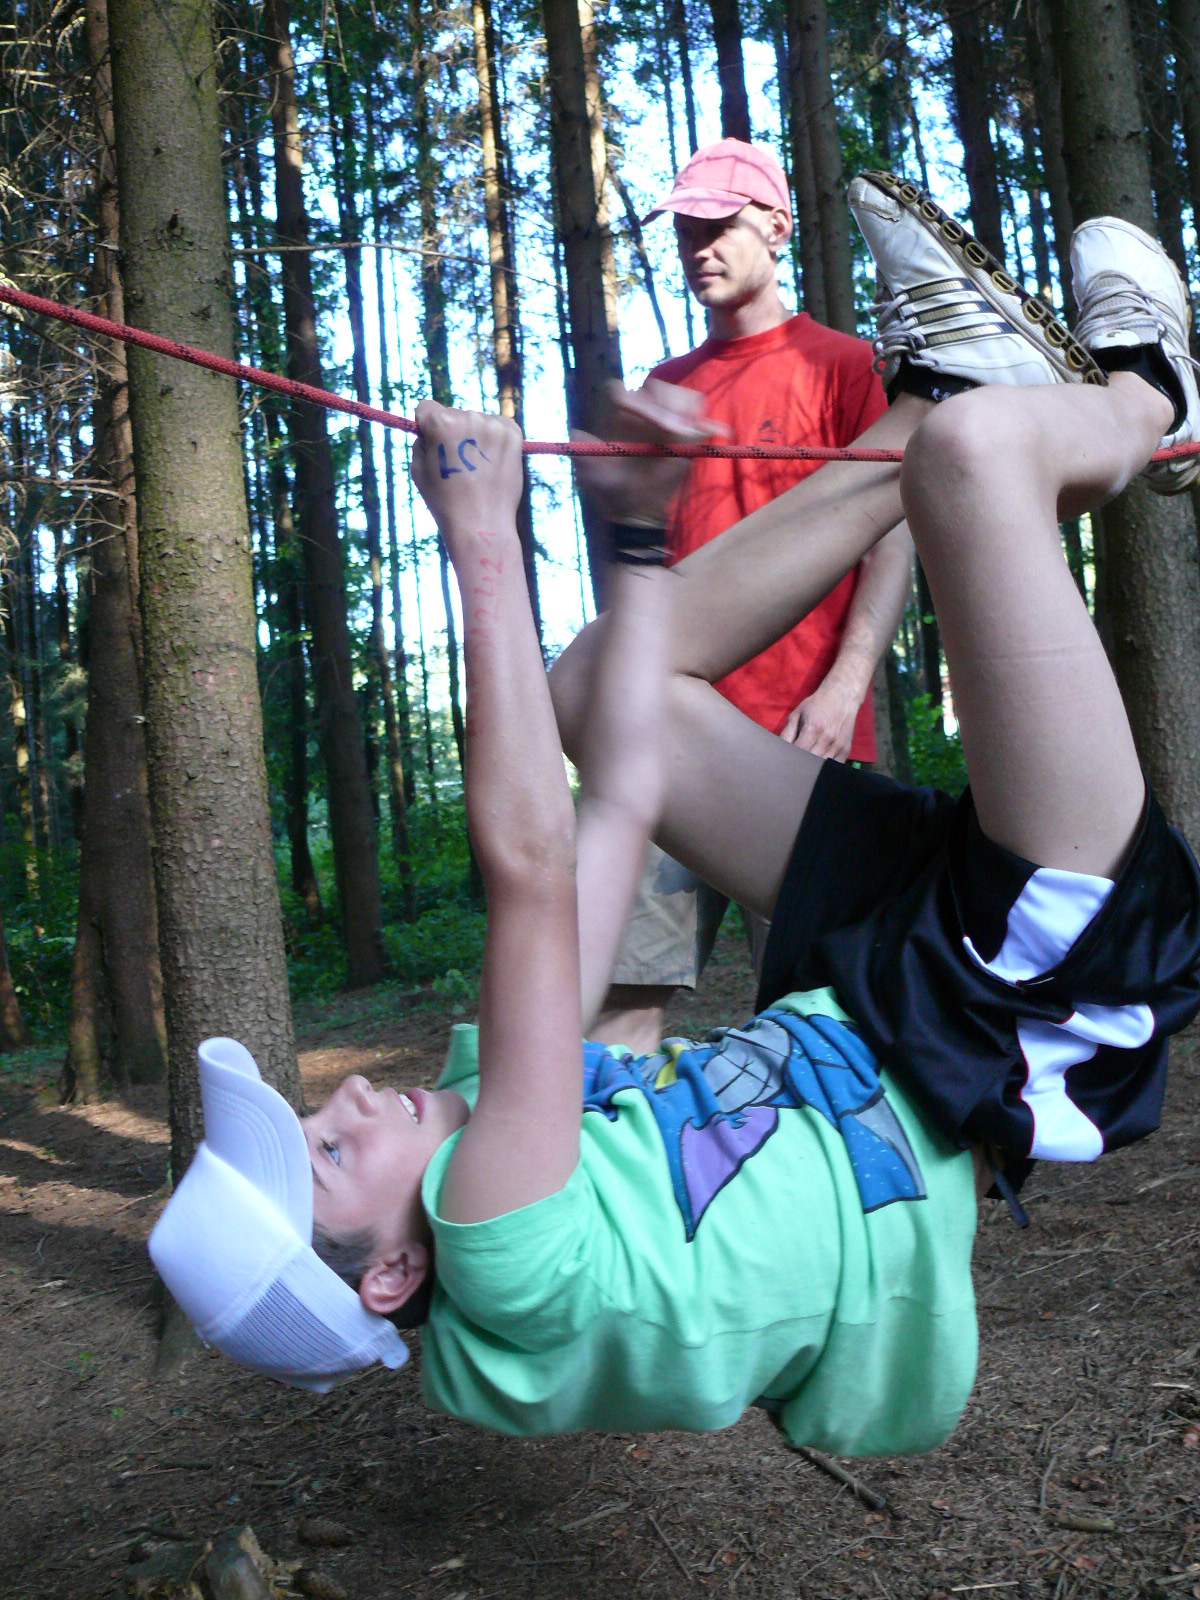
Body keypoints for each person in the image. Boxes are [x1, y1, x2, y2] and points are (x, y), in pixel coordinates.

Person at [149, 181, 1200, 1460]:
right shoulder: (499, 1245)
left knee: (599, 685)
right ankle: (1154, 392)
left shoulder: (487, 1127)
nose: (354, 1093)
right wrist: (481, 540)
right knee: (977, 466)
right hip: (1012, 1000)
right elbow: (532, 868)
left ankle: (934, 395)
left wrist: (643, 534)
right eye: (327, 1149)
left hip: (873, 970)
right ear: (390, 1276)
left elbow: (621, 799)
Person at [599, 139, 914, 1053]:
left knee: (820, 1006)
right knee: (624, 999)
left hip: (802, 738)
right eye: (685, 230)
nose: (698, 246)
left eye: (720, 225)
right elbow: (642, 570)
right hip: (668, 739)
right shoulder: (666, 391)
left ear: (776, 227)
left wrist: (846, 688)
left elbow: (890, 534)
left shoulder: (847, 366)